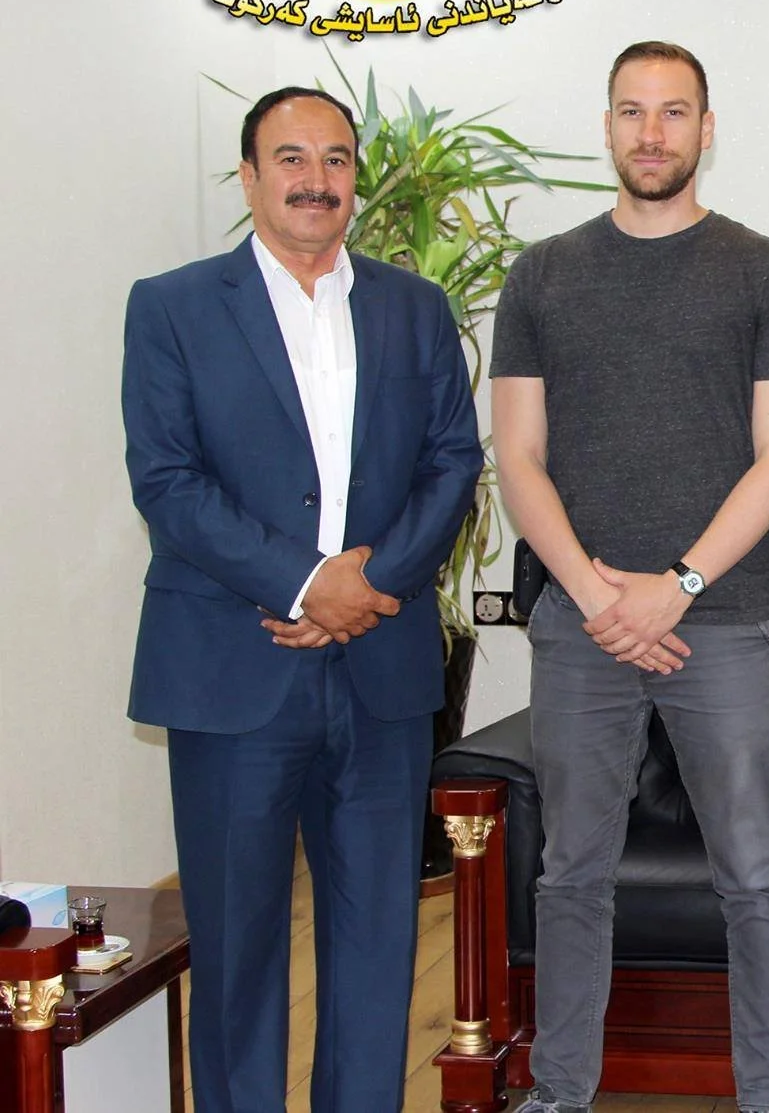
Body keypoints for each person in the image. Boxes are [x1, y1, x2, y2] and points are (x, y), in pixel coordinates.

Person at [123, 86, 483, 1112]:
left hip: (379, 668)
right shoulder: (174, 306)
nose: (315, 179)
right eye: (290, 158)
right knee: (236, 951)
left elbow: (452, 462)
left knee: (376, 944)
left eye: (334, 159)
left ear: (355, 179)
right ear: (249, 177)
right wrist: (305, 579)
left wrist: (365, 586)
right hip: (234, 670)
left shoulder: (414, 307)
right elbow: (167, 480)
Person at [490, 42, 769, 1113]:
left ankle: (768, 1098)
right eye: (631, 112)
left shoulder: (764, 270)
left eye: (673, 113)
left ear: (705, 130)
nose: (651, 133)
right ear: (607, 127)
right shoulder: (543, 274)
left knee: (755, 878)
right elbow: (518, 458)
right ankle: (560, 1095)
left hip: (717, 621)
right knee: (571, 876)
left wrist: (671, 585)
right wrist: (593, 593)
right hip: (580, 626)